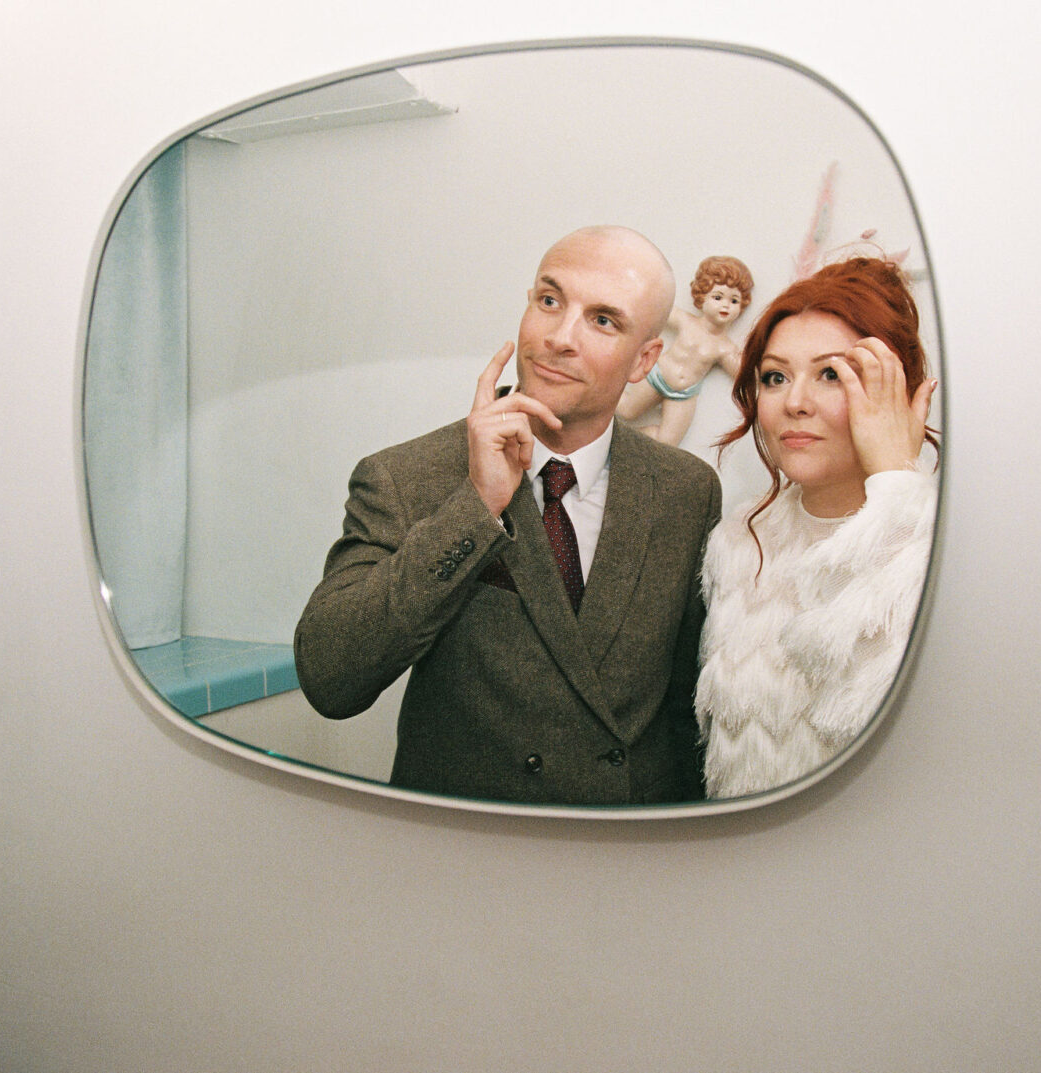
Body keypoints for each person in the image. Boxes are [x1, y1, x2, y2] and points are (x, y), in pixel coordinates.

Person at [294, 226, 722, 805]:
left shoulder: (685, 490)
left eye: (603, 321)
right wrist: (475, 508)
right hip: (470, 853)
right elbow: (330, 678)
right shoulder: (404, 477)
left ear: (644, 358)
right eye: (550, 301)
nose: (559, 338)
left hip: (630, 855)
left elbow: (685, 706)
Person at [695, 257, 938, 798]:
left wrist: (896, 487)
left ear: (897, 387)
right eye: (775, 377)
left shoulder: (940, 540)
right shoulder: (738, 540)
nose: (795, 403)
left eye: (832, 374)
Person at [615, 255, 754, 446]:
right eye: (718, 297)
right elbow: (654, 310)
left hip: (684, 393)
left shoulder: (725, 347)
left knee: (668, 441)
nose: (725, 305)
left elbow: (744, 374)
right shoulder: (686, 321)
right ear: (701, 297)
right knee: (625, 410)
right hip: (658, 376)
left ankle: (619, 441)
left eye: (734, 301)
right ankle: (595, 392)